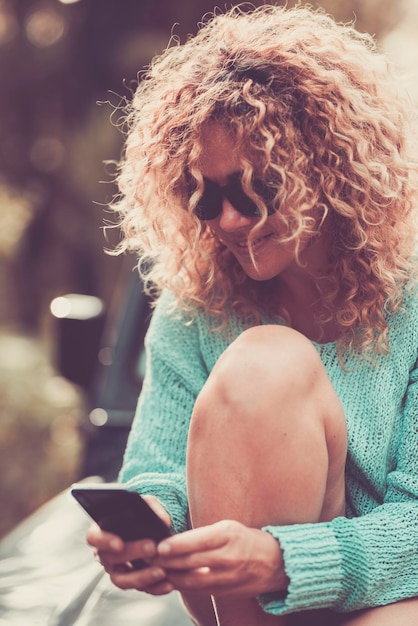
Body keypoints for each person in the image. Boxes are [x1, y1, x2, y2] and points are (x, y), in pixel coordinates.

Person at [86, 4, 418, 625]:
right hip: (244, 611)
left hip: (396, 590)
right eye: (204, 195)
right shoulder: (196, 305)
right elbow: (157, 470)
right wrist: (152, 522)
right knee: (264, 360)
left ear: (329, 172)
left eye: (255, 188)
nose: (229, 220)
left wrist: (284, 560)